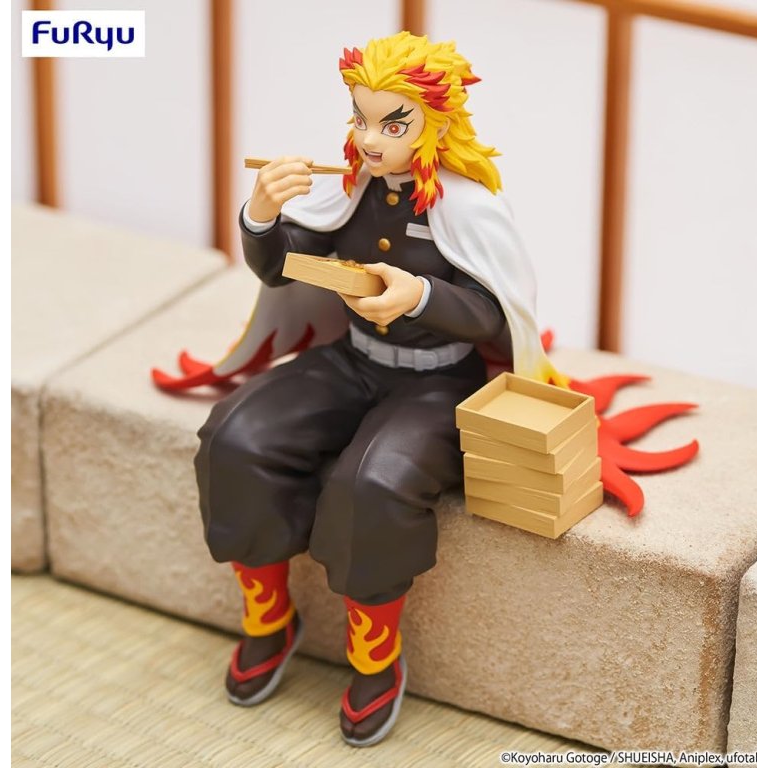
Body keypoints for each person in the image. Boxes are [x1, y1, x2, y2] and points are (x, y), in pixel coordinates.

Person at [194, 31, 560, 748]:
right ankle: (269, 616)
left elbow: (496, 313)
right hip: (353, 359)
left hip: (440, 380)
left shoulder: (468, 205)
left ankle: (375, 654)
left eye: (393, 124)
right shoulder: (350, 189)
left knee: (372, 483)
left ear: (435, 124)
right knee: (236, 434)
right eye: (360, 118)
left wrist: (421, 295)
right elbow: (283, 268)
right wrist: (261, 216)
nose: (368, 139)